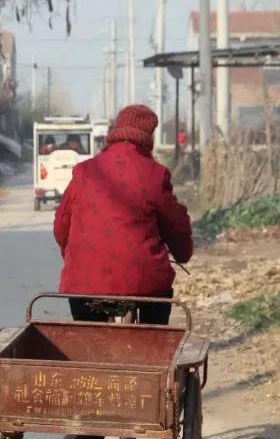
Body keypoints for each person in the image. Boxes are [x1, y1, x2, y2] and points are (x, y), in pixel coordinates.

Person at [53, 104, 193, 325]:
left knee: (87, 336)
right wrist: (183, 252)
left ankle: (88, 344)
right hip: (143, 284)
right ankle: (151, 343)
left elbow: (61, 225)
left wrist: (72, 256)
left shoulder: (85, 171)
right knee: (153, 325)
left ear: (116, 131)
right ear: (149, 137)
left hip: (84, 283)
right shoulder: (154, 174)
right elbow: (175, 225)